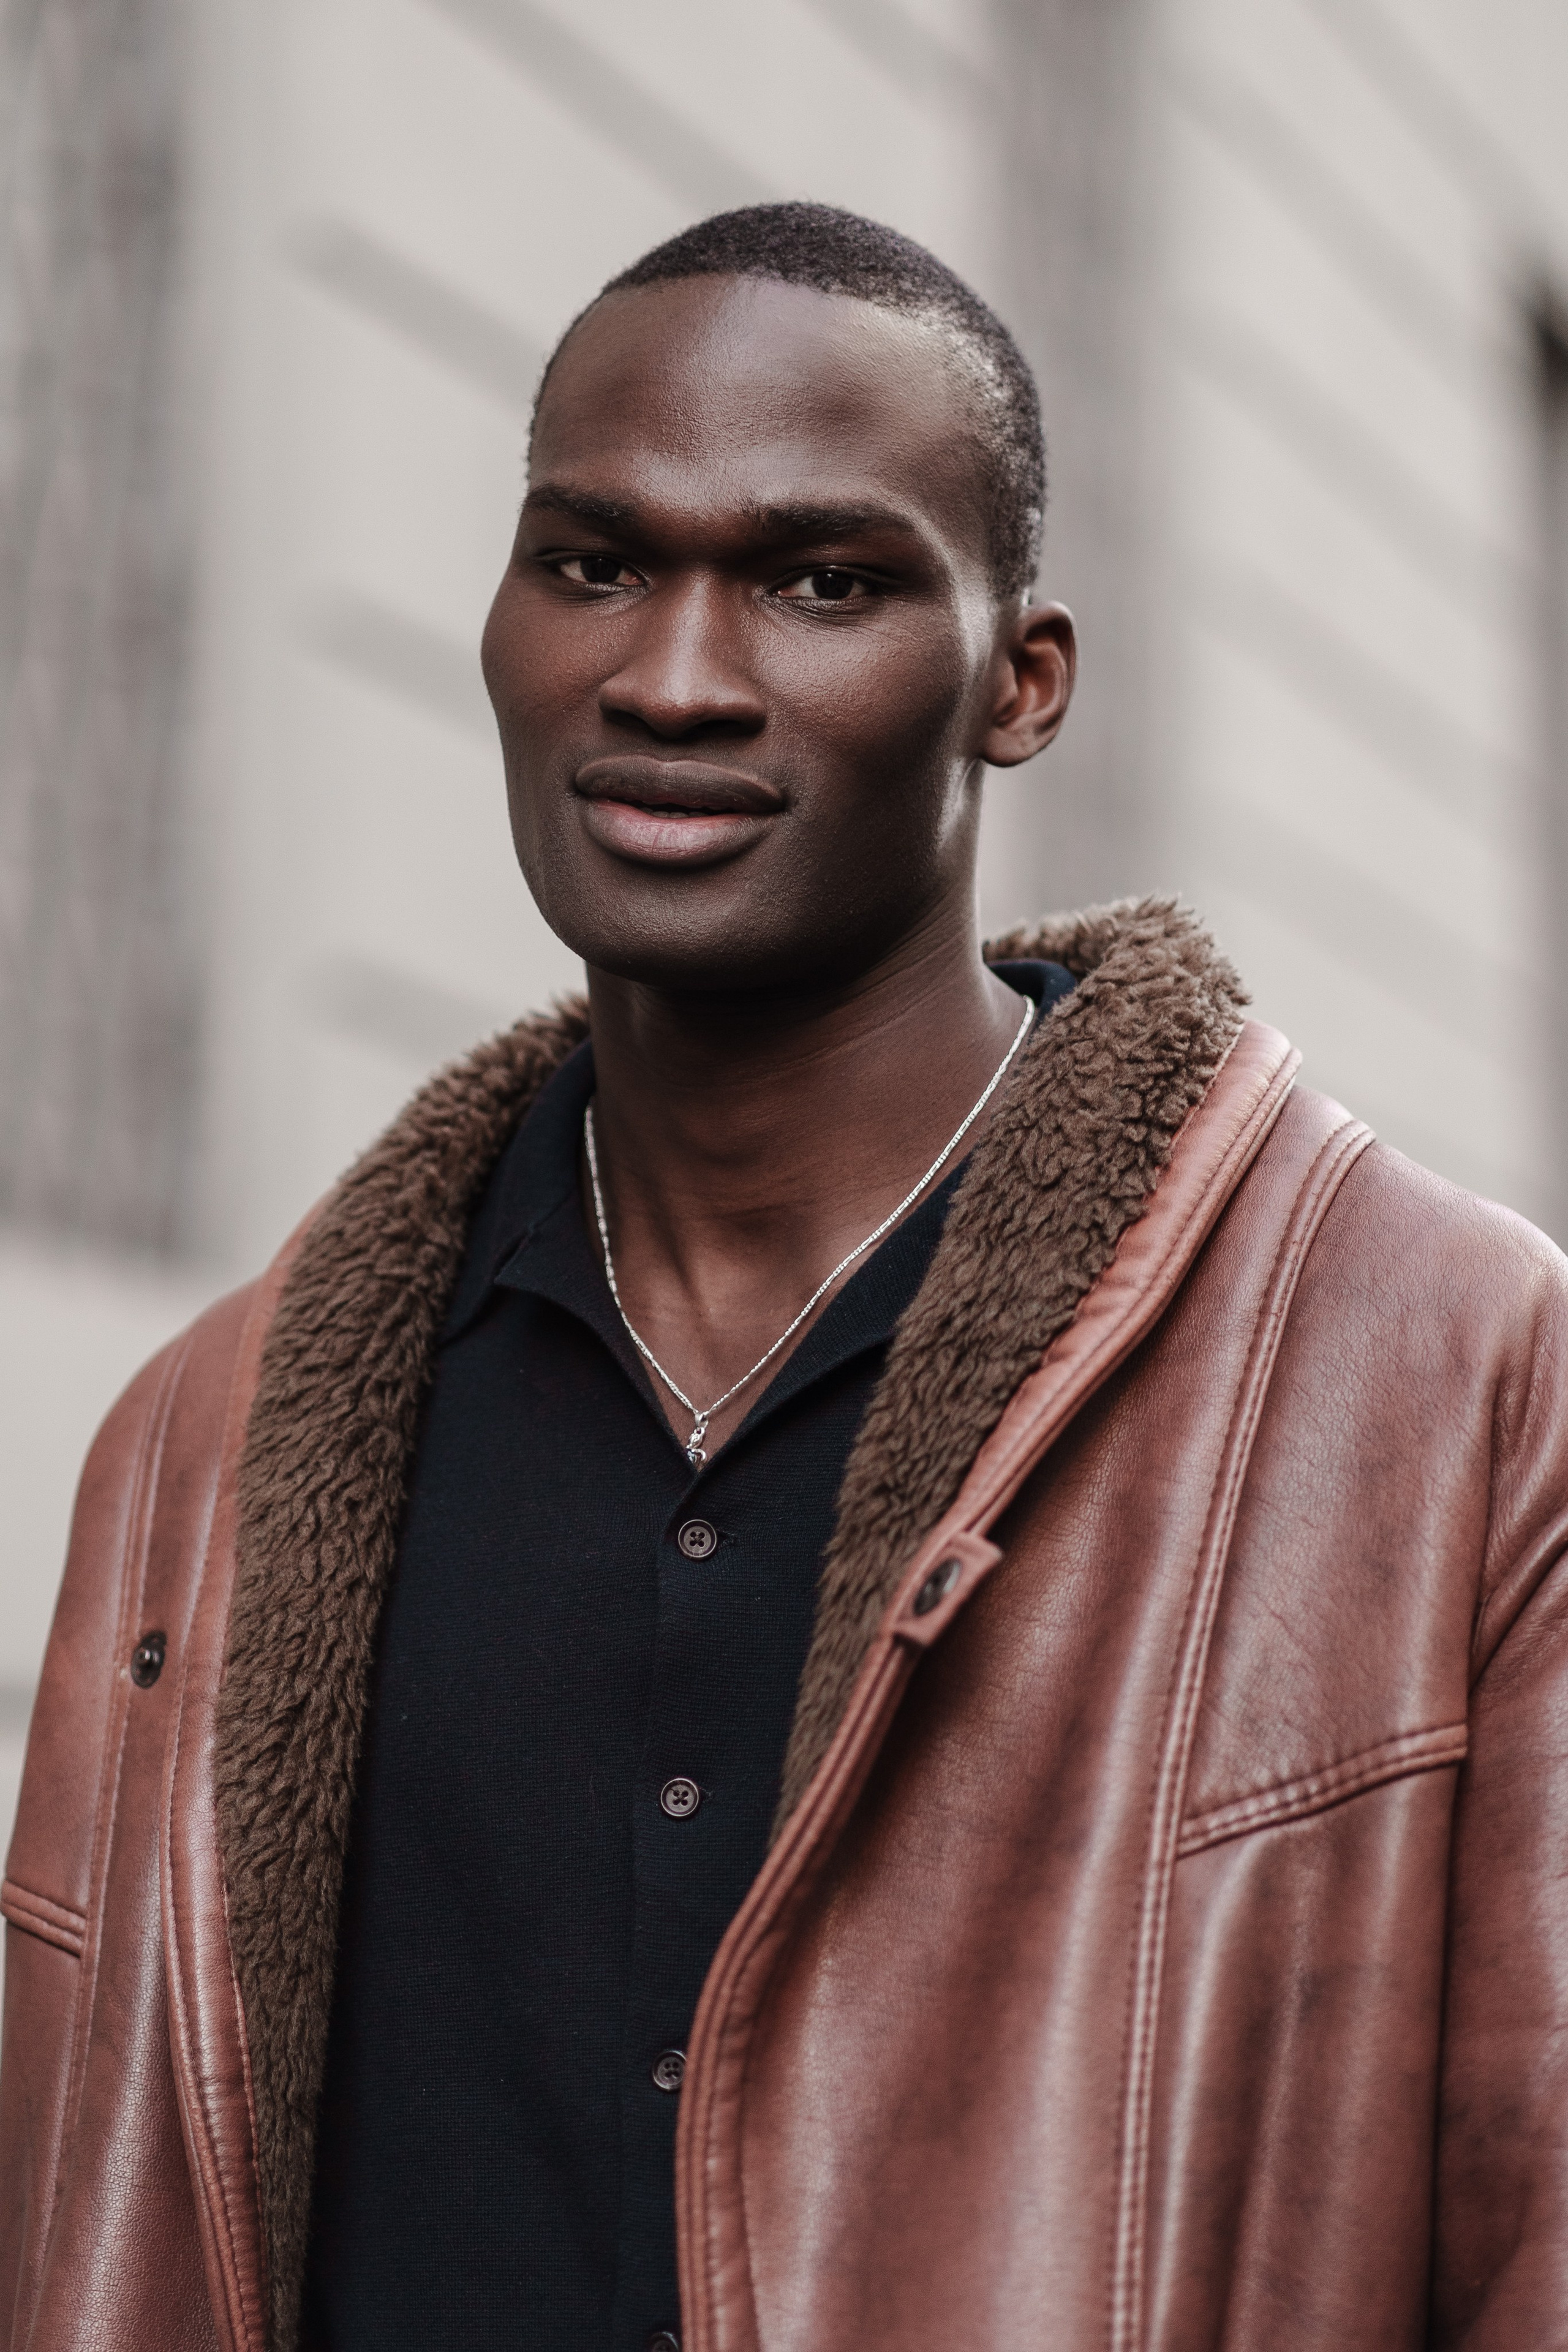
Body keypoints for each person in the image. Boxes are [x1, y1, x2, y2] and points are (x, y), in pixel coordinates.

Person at [2, 200, 1566, 2352]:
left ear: (1019, 684)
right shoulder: (206, 1447)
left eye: (821, 581)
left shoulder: (1437, 1370)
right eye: (594, 560)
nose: (671, 676)